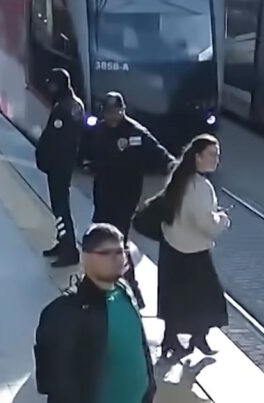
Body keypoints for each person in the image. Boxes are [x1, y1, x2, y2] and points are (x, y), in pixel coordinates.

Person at [34, 223, 155, 403]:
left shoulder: (125, 291)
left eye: (120, 251)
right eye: (105, 253)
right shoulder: (65, 312)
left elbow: (141, 347)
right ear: (85, 257)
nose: (116, 259)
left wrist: (150, 387)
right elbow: (55, 381)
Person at [86, 91, 175, 306]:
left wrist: (176, 167)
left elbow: (159, 154)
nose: (113, 116)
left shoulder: (136, 133)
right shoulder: (98, 131)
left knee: (118, 241)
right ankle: (98, 283)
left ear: (123, 110)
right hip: (103, 195)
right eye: (109, 112)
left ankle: (131, 287)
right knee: (100, 238)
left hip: (125, 198)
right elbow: (85, 153)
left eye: (117, 112)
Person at [158, 134, 230, 357]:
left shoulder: (180, 178)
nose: (216, 159)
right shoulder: (199, 186)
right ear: (198, 157)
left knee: (176, 297)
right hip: (192, 251)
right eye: (212, 154)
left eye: (217, 154)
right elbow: (205, 223)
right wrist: (222, 220)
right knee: (208, 298)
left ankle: (172, 339)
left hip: (173, 246)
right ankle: (198, 337)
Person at [36, 68, 84, 267]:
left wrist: (46, 159)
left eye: (52, 84)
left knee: (60, 208)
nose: (50, 88)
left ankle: (69, 249)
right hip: (66, 164)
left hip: (58, 166)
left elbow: (56, 141)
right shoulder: (75, 104)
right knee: (60, 206)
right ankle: (62, 242)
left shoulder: (62, 109)